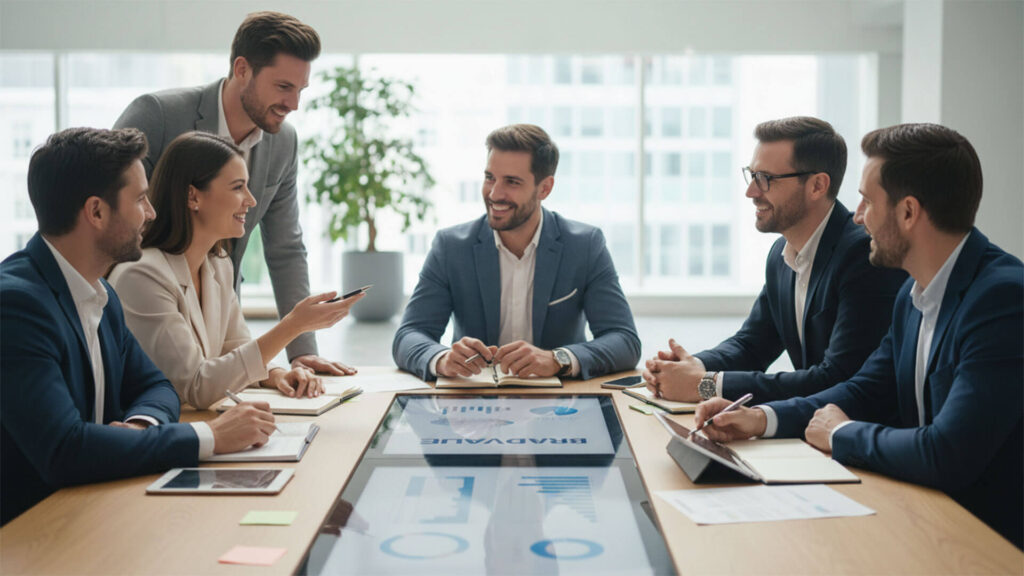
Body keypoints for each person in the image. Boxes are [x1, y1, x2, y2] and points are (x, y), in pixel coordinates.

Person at [694, 123, 1023, 549]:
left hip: (989, 541)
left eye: (867, 200)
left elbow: (948, 453)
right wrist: (761, 420)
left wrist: (840, 434)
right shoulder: (912, 292)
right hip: (923, 516)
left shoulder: (1001, 298)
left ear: (908, 212)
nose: (857, 215)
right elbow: (864, 389)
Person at [1, 127, 277, 525]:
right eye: (141, 200)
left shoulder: (102, 295)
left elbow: (156, 386)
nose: (151, 213)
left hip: (99, 506)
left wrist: (137, 427)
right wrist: (210, 437)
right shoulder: (17, 306)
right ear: (96, 212)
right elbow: (64, 449)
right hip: (33, 531)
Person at [112, 11, 347, 375]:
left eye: (300, 90)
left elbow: (285, 246)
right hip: (141, 307)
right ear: (242, 69)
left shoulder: (283, 142)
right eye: (283, 87)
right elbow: (107, 208)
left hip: (216, 315)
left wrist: (301, 351)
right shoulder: (158, 115)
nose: (294, 104)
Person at [643, 117, 906, 404]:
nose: (751, 192)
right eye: (752, 175)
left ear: (817, 185)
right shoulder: (781, 254)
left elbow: (838, 377)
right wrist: (686, 368)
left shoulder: (862, 256)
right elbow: (752, 345)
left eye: (766, 179)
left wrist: (706, 385)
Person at [108, 132, 363, 410]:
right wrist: (293, 326)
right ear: (193, 196)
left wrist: (277, 375)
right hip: (155, 434)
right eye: (238, 187)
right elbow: (197, 386)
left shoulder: (218, 265)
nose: (251, 200)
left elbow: (235, 348)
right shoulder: (142, 275)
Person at [393, 124, 640, 381]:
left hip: (559, 406)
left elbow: (624, 341)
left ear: (544, 188)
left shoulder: (585, 245)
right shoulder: (451, 247)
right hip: (473, 406)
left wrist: (558, 359)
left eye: (512, 182)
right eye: (490, 177)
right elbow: (409, 335)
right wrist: (441, 358)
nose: (494, 193)